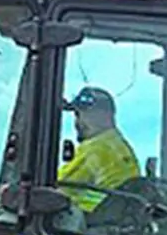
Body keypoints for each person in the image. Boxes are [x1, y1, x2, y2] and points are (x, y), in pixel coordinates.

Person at [56, 85, 140, 214]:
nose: (77, 122)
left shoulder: (96, 148)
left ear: (104, 115)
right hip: (109, 223)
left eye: (80, 114)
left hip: (89, 224)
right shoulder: (121, 147)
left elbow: (58, 187)